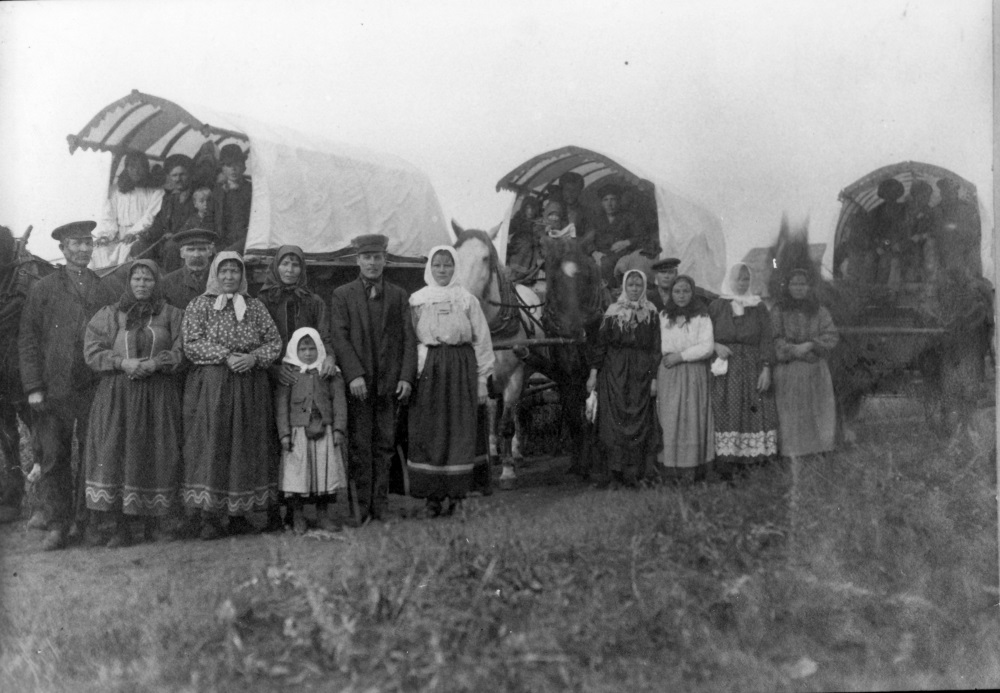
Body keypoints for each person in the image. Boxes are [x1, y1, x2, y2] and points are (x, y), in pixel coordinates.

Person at [19, 221, 117, 549]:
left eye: (88, 242)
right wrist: (33, 386)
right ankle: (58, 525)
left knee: (92, 453)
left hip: (92, 386)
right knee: (54, 456)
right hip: (54, 388)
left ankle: (84, 522)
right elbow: (29, 340)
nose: (84, 249)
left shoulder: (104, 289)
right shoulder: (43, 288)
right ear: (62, 249)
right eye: (76, 243)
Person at [82, 259, 185, 546]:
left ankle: (156, 524)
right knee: (117, 453)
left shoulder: (172, 314)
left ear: (157, 283)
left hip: (158, 395)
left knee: (156, 454)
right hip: (118, 396)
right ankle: (119, 527)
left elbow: (182, 349)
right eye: (136, 279)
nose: (142, 284)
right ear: (128, 283)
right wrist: (122, 363)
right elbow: (92, 351)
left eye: (148, 280)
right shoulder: (110, 315)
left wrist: (156, 363)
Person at [180, 251, 281, 539]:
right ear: (215, 273)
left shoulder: (255, 307)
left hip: (249, 385)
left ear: (242, 275)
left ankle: (239, 514)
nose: (228, 277)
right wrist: (226, 356)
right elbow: (191, 344)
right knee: (213, 444)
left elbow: (274, 342)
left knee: (244, 446)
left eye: (234, 272)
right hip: (213, 386)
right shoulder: (199, 305)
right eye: (223, 271)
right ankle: (210, 516)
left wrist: (253, 359)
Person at [330, 234, 417, 523]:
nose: (372, 263)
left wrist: (405, 377)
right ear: (358, 260)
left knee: (384, 446)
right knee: (359, 447)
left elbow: (408, 339)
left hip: (388, 385)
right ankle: (360, 508)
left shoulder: (397, 295)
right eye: (367, 257)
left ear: (385, 260)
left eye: (377, 257)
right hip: (360, 387)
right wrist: (354, 374)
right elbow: (339, 338)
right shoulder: (343, 295)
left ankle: (381, 506)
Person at [407, 246, 494, 516]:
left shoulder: (467, 300)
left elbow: (481, 340)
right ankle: (432, 499)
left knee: (460, 429)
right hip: (429, 368)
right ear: (429, 269)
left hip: (461, 367)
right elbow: (410, 339)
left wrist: (482, 381)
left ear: (455, 268)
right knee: (430, 430)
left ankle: (458, 496)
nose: (442, 270)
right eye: (437, 265)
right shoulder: (417, 300)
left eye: (447, 265)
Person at [258, 244, 338, 529]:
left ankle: (309, 508)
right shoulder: (264, 300)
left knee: (309, 443)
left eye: (295, 265)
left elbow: (325, 335)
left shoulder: (314, 301)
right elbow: (258, 339)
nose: (290, 270)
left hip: (308, 378)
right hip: (276, 378)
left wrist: (328, 356)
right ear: (276, 267)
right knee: (278, 440)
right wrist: (275, 368)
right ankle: (277, 511)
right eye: (285, 264)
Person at [587, 269, 661, 488]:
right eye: (631, 285)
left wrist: (654, 378)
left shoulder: (651, 312)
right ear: (624, 287)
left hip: (641, 371)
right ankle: (615, 474)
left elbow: (656, 347)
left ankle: (636, 473)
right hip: (614, 371)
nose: (635, 289)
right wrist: (593, 373)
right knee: (613, 422)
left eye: (639, 286)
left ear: (644, 287)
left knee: (639, 419)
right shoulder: (612, 312)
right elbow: (601, 345)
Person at [708, 263, 779, 478]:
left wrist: (766, 368)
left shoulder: (757, 307)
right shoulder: (717, 306)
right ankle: (728, 466)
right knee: (727, 410)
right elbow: (703, 334)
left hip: (752, 366)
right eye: (738, 279)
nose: (742, 284)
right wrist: (715, 345)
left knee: (755, 410)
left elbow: (766, 338)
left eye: (746, 279)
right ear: (730, 280)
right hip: (726, 368)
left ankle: (756, 465)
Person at [274, 327, 347, 533]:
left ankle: (322, 515)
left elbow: (340, 402)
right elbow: (282, 405)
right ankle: (298, 516)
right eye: (303, 349)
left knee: (323, 474)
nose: (307, 353)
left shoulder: (330, 373)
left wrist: (339, 429)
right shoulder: (289, 375)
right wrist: (285, 434)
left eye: (312, 348)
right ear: (294, 351)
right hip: (298, 431)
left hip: (325, 428)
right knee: (298, 476)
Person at [0, 226, 46, 523]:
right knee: (6, 434)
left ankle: (44, 498)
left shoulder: (25, 270)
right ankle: (13, 494)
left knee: (37, 427)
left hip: (19, 365)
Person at [771, 268, 839, 459]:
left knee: (815, 411)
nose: (799, 288)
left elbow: (831, 336)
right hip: (789, 370)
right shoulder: (779, 310)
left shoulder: (819, 310)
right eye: (794, 284)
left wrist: (811, 344)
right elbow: (774, 337)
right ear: (788, 286)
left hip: (815, 371)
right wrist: (795, 350)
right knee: (790, 413)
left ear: (809, 287)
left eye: (803, 284)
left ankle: (815, 451)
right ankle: (791, 453)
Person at [656, 274, 715, 480]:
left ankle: (693, 468)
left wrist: (681, 356)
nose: (681, 296)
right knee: (671, 418)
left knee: (693, 418)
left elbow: (706, 346)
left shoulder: (702, 316)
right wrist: (673, 356)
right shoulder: (664, 316)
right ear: (671, 293)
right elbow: (663, 345)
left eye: (686, 291)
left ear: (692, 292)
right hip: (670, 373)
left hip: (694, 371)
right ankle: (672, 468)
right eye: (677, 291)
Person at [92, 152, 164, 269]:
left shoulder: (156, 192)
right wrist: (106, 235)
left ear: (146, 168)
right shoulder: (117, 192)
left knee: (129, 250)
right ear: (126, 169)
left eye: (140, 167)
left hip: (141, 235)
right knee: (99, 250)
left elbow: (149, 217)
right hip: (119, 235)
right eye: (132, 167)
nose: (136, 171)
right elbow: (109, 216)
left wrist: (133, 233)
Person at [135, 154, 196, 272]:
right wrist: (149, 233)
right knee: (139, 246)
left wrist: (176, 235)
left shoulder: (197, 196)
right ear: (169, 177)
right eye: (174, 175)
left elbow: (195, 221)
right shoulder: (168, 198)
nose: (178, 179)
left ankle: (169, 282)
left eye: (182, 174)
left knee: (171, 247)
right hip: (168, 241)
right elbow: (160, 222)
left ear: (189, 175)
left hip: (188, 241)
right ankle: (146, 277)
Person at [585, 184, 644, 288]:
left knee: (608, 264)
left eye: (613, 199)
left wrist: (627, 242)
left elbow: (641, 237)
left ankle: (612, 293)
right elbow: (588, 240)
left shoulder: (629, 217)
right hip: (600, 254)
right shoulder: (596, 219)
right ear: (601, 203)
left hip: (623, 254)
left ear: (619, 201)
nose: (609, 204)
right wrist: (594, 252)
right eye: (605, 200)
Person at [933, 177, 982, 278]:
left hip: (963, 243)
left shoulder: (966, 208)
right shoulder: (937, 210)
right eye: (945, 191)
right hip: (943, 244)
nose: (948, 194)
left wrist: (958, 230)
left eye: (951, 191)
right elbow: (935, 228)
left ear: (956, 192)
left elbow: (974, 230)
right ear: (942, 193)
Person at [161, 227, 218, 309]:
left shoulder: (220, 278)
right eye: (191, 250)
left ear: (209, 252)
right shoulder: (168, 282)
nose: (196, 254)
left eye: (201, 249)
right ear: (182, 253)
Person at [214, 144, 253, 253]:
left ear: (244, 167)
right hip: (221, 241)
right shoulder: (217, 191)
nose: (233, 169)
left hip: (244, 242)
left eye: (237, 164)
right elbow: (210, 218)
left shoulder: (252, 190)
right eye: (228, 165)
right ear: (222, 168)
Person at [506, 195, 543, 283]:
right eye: (527, 208)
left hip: (532, 246)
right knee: (523, 245)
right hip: (517, 245)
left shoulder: (539, 221)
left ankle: (522, 274)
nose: (530, 211)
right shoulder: (519, 219)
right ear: (524, 208)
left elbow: (540, 235)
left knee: (527, 246)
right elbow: (508, 229)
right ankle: (514, 272)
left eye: (533, 208)